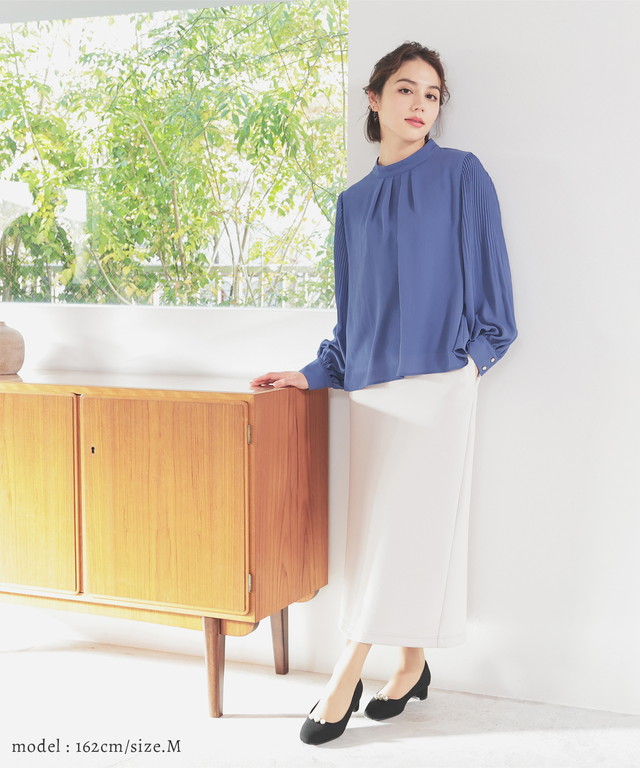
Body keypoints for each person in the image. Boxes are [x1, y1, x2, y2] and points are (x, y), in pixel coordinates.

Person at [250, 41, 517, 745]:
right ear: (374, 99)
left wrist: (472, 362)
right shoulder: (353, 205)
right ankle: (411, 665)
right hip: (370, 391)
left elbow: (494, 289)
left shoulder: (462, 175)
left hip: (437, 384)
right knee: (387, 534)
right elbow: (352, 316)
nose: (420, 104)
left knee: (402, 530)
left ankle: (345, 675)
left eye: (432, 94)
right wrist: (313, 373)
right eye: (406, 89)